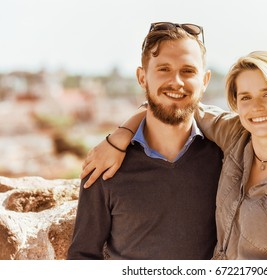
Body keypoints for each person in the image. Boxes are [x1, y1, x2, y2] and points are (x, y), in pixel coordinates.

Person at [81, 51, 267, 260]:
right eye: (245, 97)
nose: (256, 107)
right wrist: (120, 136)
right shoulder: (235, 135)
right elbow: (175, 102)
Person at [67, 22, 224, 259]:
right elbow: (83, 257)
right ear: (142, 77)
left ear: (205, 80)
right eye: (164, 69)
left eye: (188, 71)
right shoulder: (105, 165)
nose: (177, 82)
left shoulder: (225, 159)